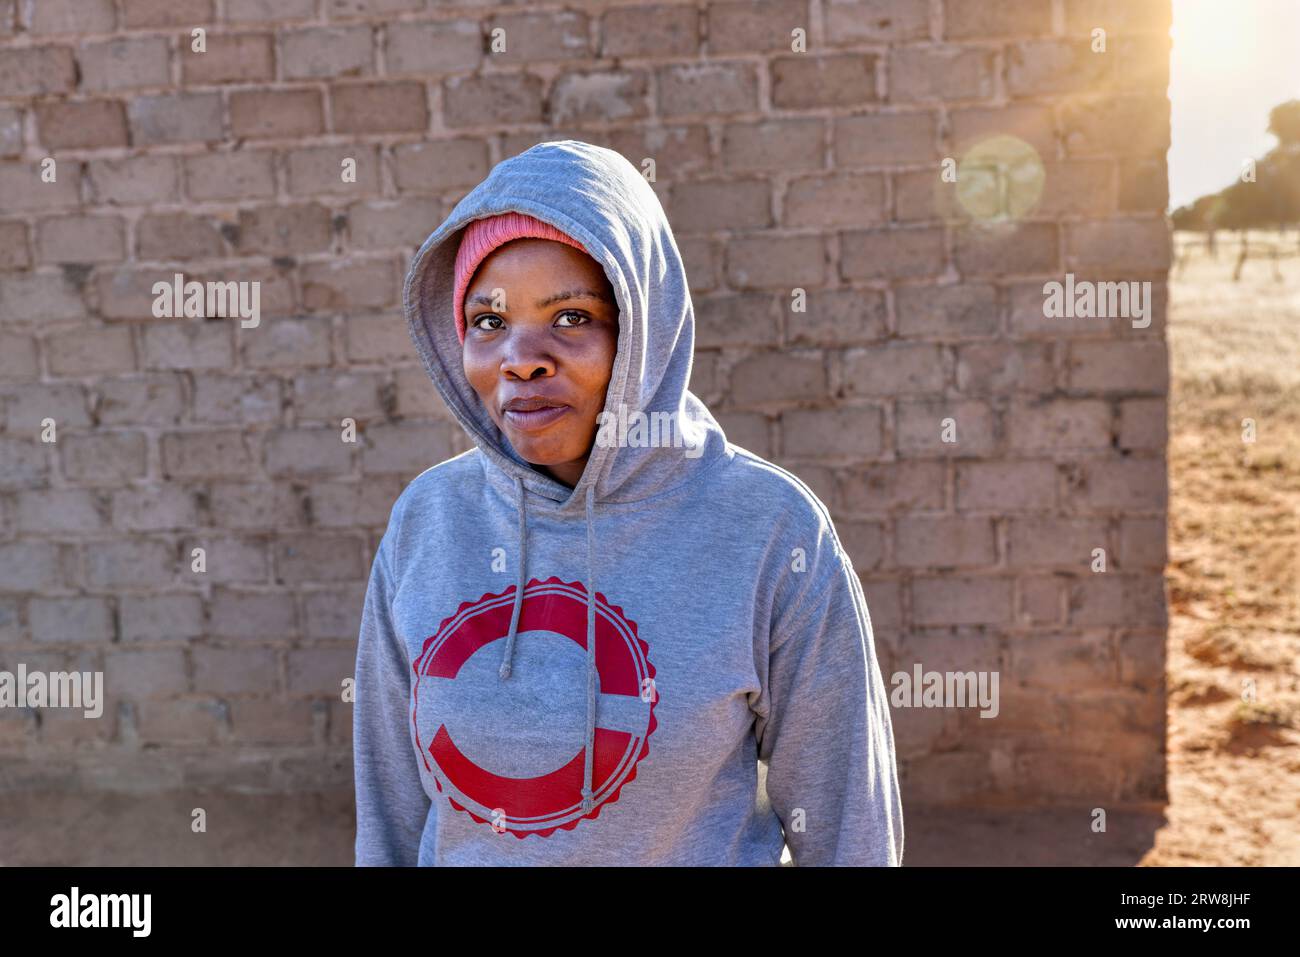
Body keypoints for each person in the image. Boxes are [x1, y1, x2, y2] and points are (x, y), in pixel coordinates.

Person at [352, 139, 904, 866]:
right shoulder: (428, 522)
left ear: (644, 329)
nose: (522, 356)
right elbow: (389, 821)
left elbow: (849, 831)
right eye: (489, 321)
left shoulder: (768, 530)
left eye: (572, 316)